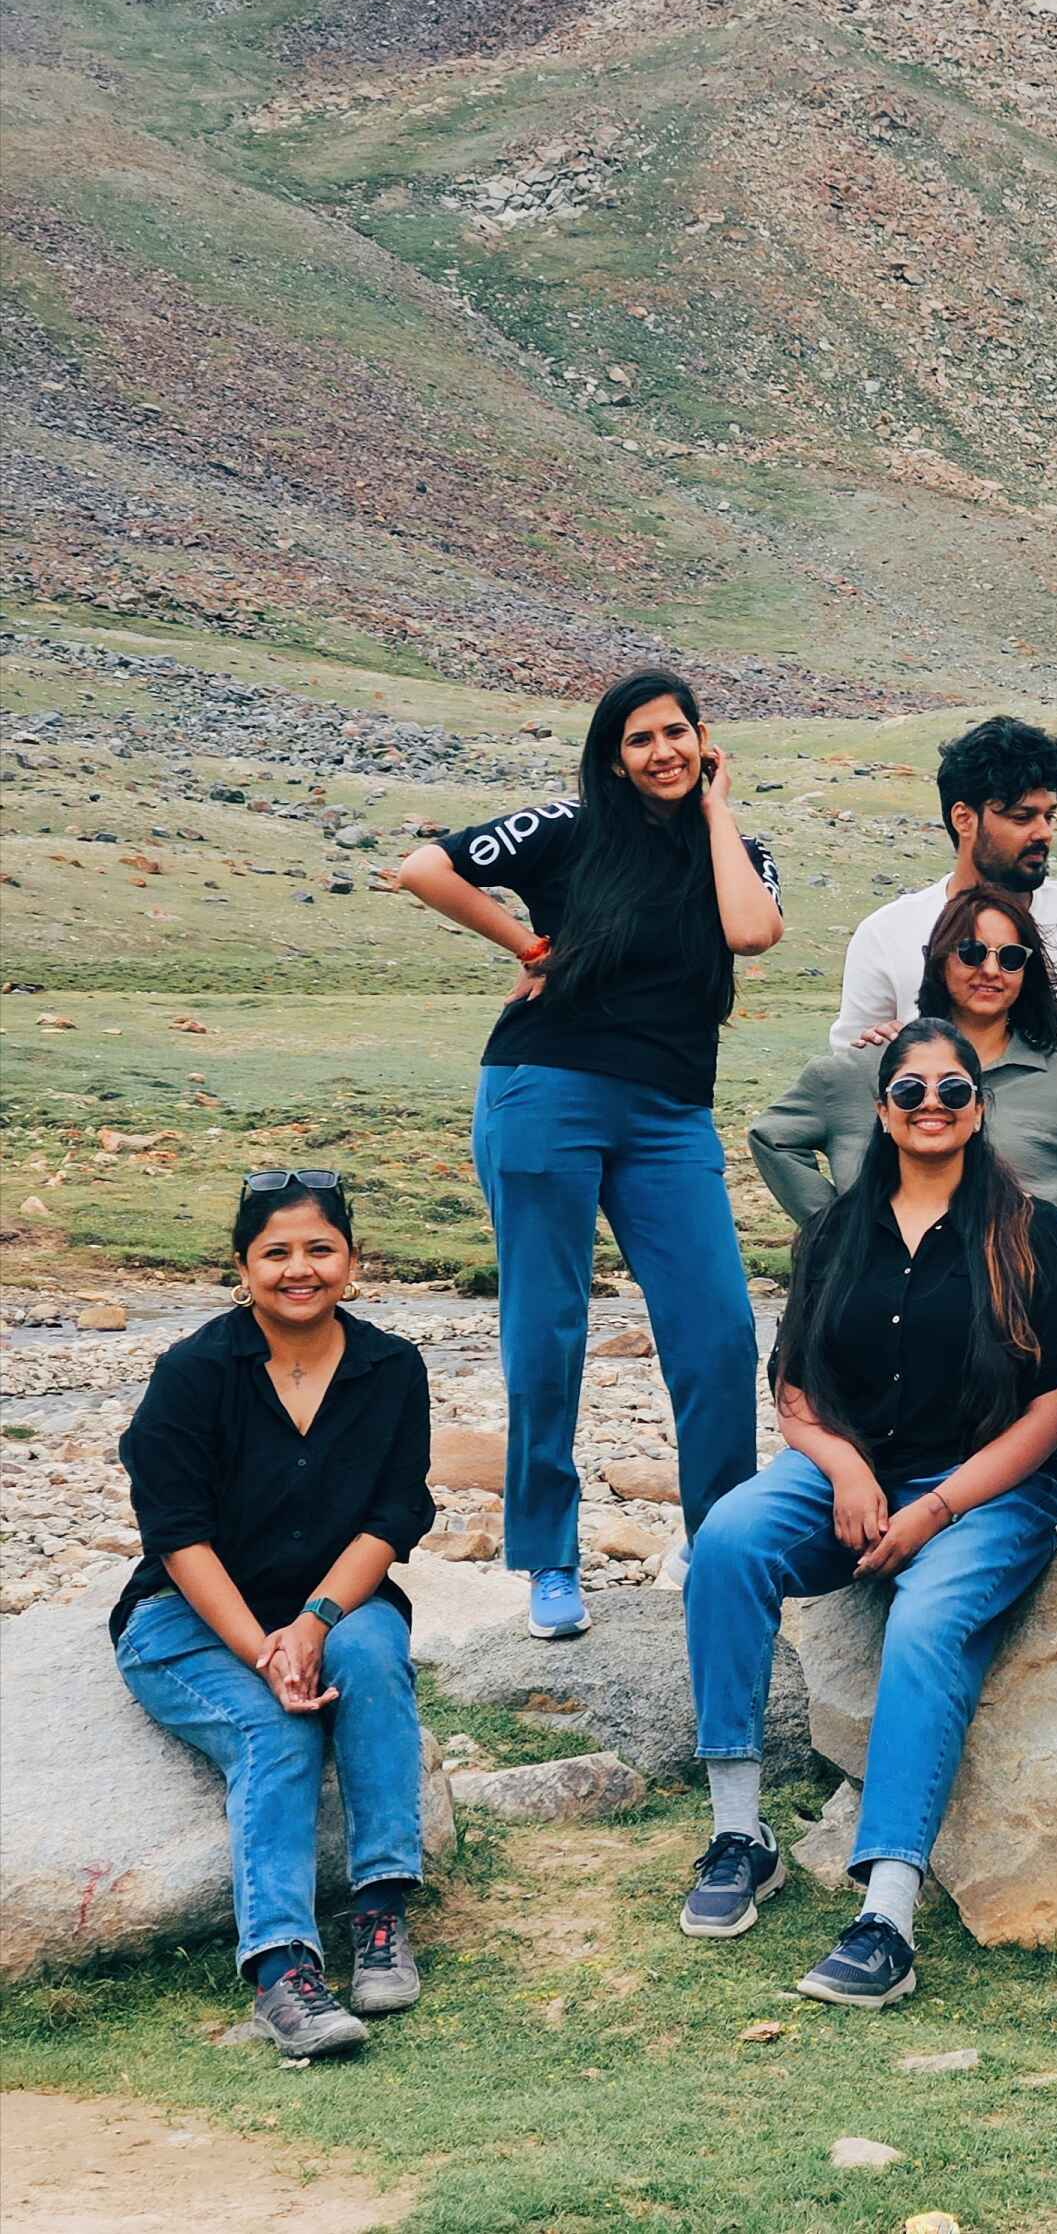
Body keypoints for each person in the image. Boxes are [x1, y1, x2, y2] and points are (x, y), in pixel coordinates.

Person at [681, 1018, 1057, 2007]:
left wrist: (940, 1506)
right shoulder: (834, 1230)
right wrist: (845, 1470)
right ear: (882, 1110)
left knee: (928, 1622)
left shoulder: (1033, 1233)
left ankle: (886, 1918)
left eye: (954, 1092)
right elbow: (794, 1390)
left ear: (979, 1108)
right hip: (846, 1472)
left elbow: (1053, 1406)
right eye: (912, 1093)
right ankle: (740, 1833)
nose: (933, 1109)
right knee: (728, 1540)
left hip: (985, 1485)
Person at [398, 668, 781, 1640]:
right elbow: (424, 867)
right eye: (640, 739)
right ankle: (549, 1560)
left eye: (675, 734)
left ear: (704, 741)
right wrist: (527, 947)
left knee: (721, 1332)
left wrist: (719, 810)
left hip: (671, 1116)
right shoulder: (567, 830)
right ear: (615, 756)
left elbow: (752, 930)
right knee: (547, 1333)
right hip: (544, 1091)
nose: (662, 752)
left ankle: (723, 1545)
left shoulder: (739, 849)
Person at [112, 1171, 436, 2061]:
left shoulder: (391, 1367)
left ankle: (380, 1912)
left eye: (320, 1249)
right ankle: (282, 1970)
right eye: (277, 1254)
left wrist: (316, 1621)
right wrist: (266, 1651)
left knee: (371, 1660)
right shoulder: (192, 1372)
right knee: (275, 1731)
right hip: (188, 1616)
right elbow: (176, 1536)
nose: (301, 1270)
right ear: (243, 1268)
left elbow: (394, 1517)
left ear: (353, 1261)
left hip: (336, 1600)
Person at [751, 885, 1057, 1298]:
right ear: (939, 959)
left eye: (1011, 958)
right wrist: (838, 1232)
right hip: (877, 1306)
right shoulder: (863, 1071)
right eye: (972, 953)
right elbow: (773, 1136)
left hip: (1016, 1316)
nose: (991, 971)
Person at [830, 714, 1057, 1119]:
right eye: (1022, 817)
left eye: (1048, 816)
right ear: (964, 819)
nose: (1044, 832)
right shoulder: (886, 934)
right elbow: (852, 1096)